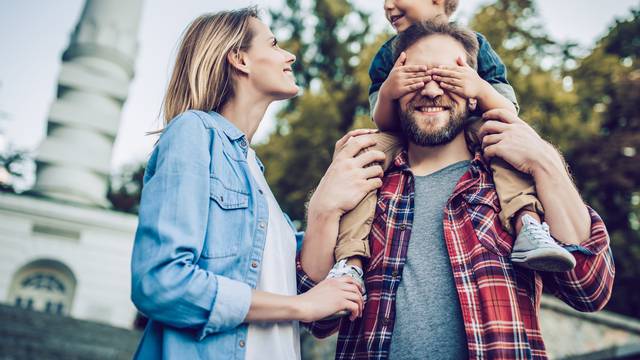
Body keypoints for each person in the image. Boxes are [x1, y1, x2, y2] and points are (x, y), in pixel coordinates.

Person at [297, 21, 615, 359]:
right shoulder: (365, 180)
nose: (432, 91)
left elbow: (589, 289)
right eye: (417, 77)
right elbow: (317, 318)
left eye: (448, 77)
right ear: (393, 89)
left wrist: (546, 163)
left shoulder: (511, 182)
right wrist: (322, 210)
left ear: (475, 92)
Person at [130, 7, 384, 359]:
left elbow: (306, 290)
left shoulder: (253, 170)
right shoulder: (194, 132)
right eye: (275, 44)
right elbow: (160, 282)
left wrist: (326, 204)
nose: (290, 55)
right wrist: (301, 307)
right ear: (240, 59)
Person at [325, 0, 577, 301]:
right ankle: (350, 260)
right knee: (364, 155)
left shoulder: (474, 45)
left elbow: (508, 110)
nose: (388, 5)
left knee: (504, 139)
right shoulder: (387, 55)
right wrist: (390, 92)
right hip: (404, 135)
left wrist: (479, 87)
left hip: (469, 128)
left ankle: (528, 224)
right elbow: (384, 122)